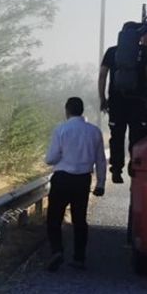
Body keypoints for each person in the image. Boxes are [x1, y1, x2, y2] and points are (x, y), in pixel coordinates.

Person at [44, 97, 107, 272]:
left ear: (67, 111)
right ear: (82, 110)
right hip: (82, 180)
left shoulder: (61, 129)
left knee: (54, 218)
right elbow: (101, 161)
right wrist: (100, 184)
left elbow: (51, 159)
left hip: (62, 179)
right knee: (80, 220)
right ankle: (79, 258)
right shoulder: (94, 132)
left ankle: (57, 250)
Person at [98, 23, 147, 184]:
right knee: (137, 136)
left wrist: (103, 98)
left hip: (116, 101)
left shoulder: (112, 51)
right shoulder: (145, 51)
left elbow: (102, 76)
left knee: (117, 136)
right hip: (138, 102)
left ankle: (116, 170)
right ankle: (134, 165)